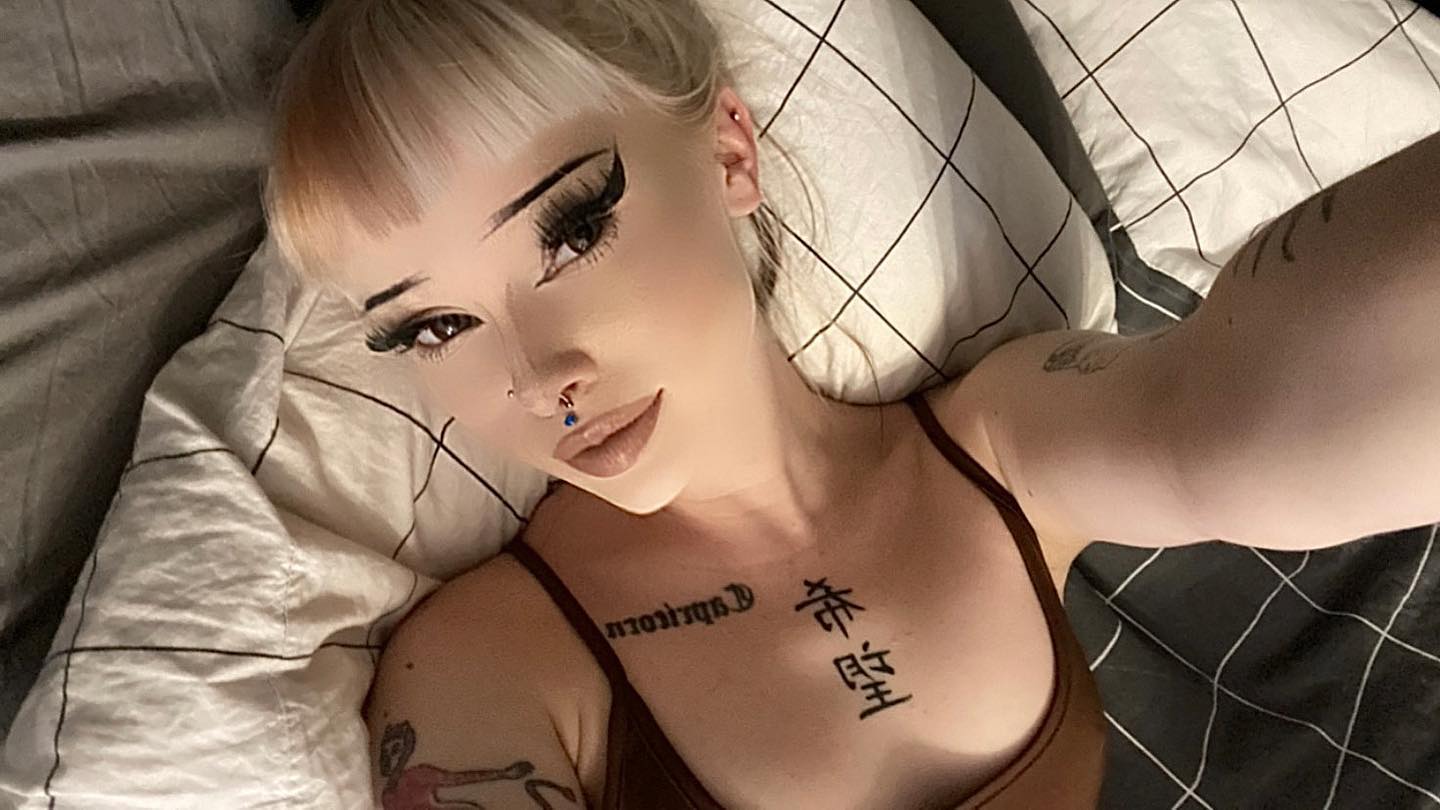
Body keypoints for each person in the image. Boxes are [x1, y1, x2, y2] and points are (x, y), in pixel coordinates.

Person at [264, 1, 1440, 807]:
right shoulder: (487, 663)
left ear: (730, 154)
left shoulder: (999, 442)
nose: (535, 374)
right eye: (434, 328)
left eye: (571, 232)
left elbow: (1240, 413)